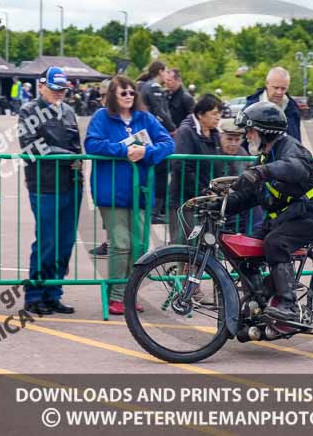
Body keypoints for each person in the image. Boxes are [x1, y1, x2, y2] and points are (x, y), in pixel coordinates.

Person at [223, 102, 313, 322]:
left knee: (275, 243)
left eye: (250, 131)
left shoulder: (291, 148)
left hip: (311, 216)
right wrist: (219, 204)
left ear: (264, 131)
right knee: (246, 249)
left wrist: (262, 172)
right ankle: (260, 302)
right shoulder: (264, 157)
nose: (247, 136)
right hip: (286, 218)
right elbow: (250, 196)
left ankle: (288, 306)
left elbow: (295, 168)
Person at [84, 75, 174, 315]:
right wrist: (125, 150)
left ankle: (129, 293)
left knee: (139, 246)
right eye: (123, 92)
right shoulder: (101, 117)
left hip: (141, 192)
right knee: (120, 243)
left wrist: (146, 151)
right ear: (113, 95)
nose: (128, 96)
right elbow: (92, 144)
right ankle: (115, 296)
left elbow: (168, 143)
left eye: (131, 92)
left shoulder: (145, 118)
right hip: (111, 191)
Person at [17, 67, 83, 315]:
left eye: (62, 89)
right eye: (54, 88)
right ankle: (34, 295)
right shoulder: (28, 110)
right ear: (41, 86)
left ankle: (54, 293)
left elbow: (77, 147)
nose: (59, 93)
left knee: (65, 242)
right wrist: (68, 156)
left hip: (71, 184)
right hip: (44, 185)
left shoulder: (68, 111)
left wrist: (76, 164)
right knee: (47, 241)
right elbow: (32, 147)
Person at [169, 94, 223, 245]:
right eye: (214, 113)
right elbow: (181, 165)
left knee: (203, 245)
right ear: (200, 114)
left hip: (206, 201)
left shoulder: (215, 134)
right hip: (185, 200)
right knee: (183, 245)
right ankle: (180, 270)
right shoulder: (185, 131)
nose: (218, 117)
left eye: (219, 114)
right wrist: (202, 190)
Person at [136, 61, 175, 223]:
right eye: (166, 71)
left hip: (146, 136)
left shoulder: (144, 86)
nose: (167, 75)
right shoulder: (153, 87)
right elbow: (160, 113)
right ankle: (154, 212)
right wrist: (173, 129)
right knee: (160, 173)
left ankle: (152, 210)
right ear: (160, 71)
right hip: (153, 137)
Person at [244, 67, 301, 141]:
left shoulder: (292, 109)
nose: (279, 92)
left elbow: (297, 140)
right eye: (276, 88)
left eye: (283, 88)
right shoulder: (250, 108)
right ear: (267, 83)